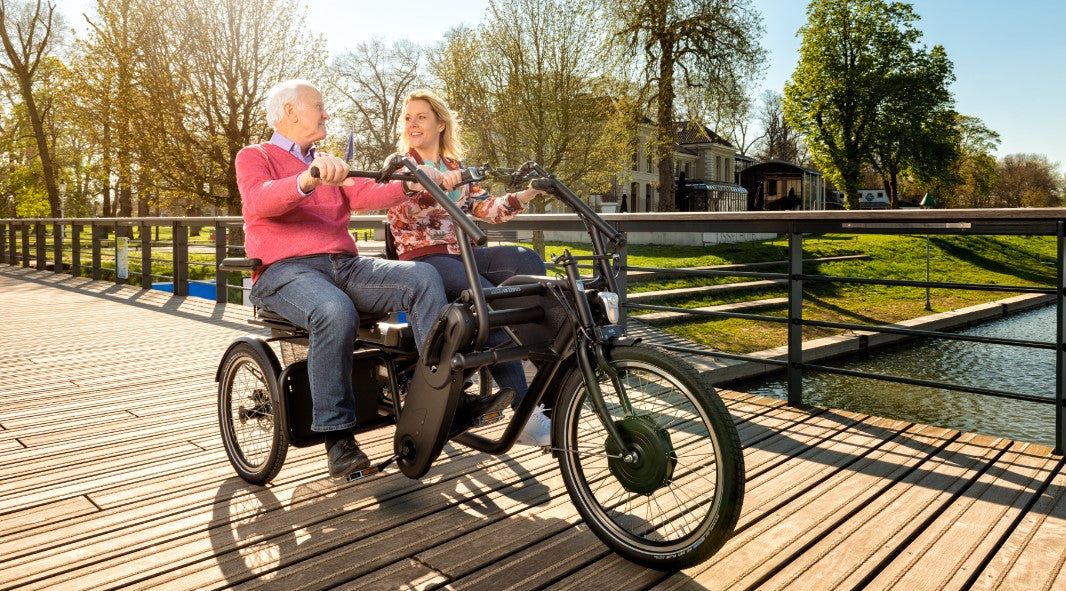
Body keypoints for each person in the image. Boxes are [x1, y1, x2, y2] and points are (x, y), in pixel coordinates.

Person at [235, 80, 511, 479]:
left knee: (421, 276)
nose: (326, 114)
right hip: (284, 270)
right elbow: (261, 200)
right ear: (290, 111)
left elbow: (368, 194)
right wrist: (307, 179)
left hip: (343, 265)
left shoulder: (331, 161)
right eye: (319, 106)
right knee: (333, 310)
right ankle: (339, 439)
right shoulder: (255, 156)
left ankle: (439, 400)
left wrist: (412, 183)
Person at [387, 89, 551, 447]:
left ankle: (554, 384)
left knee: (526, 264)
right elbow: (397, 212)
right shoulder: (402, 166)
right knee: (486, 298)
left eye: (421, 117)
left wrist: (524, 196)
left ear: (440, 124)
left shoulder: (455, 166)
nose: (412, 124)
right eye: (408, 118)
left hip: (462, 252)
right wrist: (428, 188)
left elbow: (484, 208)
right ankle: (525, 413)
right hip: (425, 258)